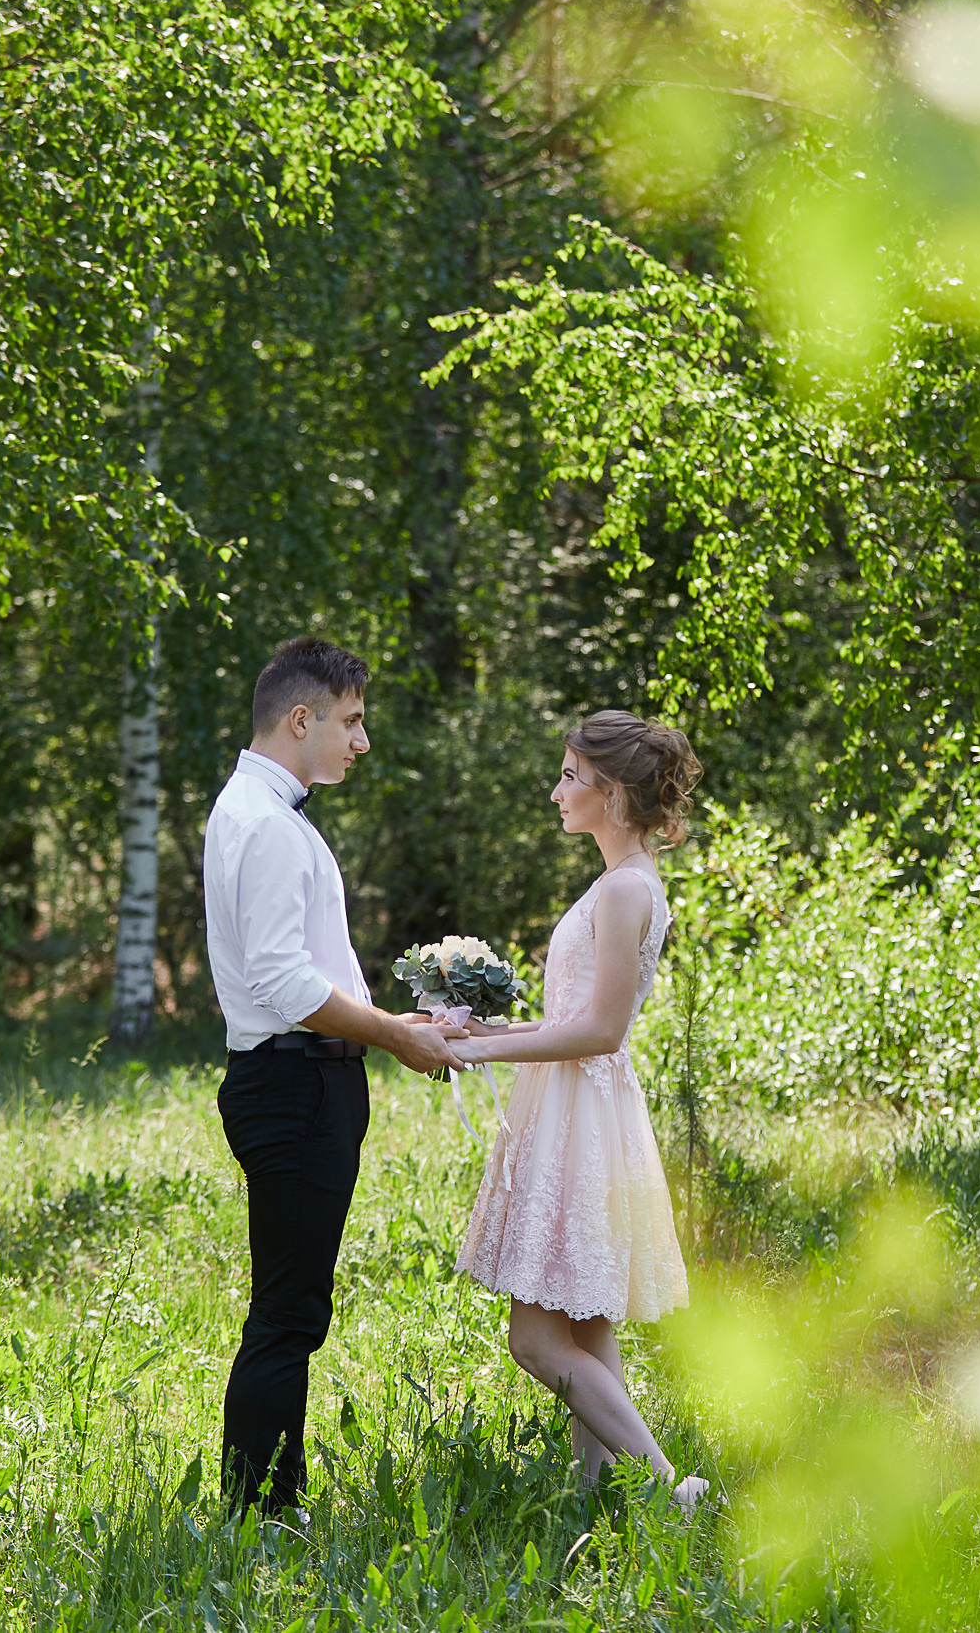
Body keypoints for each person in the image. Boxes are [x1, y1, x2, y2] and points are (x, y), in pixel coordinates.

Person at [203, 637, 458, 1515]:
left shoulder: (263, 811)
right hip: (293, 1083)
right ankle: (260, 1514)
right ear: (301, 718)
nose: (363, 740)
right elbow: (282, 982)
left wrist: (393, 1019)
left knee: (292, 1304)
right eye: (351, 721)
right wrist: (392, 1034)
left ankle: (271, 1500)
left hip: (298, 1080)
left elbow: (305, 968)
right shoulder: (267, 823)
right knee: (288, 1311)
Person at [449, 710, 709, 1505]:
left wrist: (483, 1051)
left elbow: (600, 1031)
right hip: (569, 1109)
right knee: (588, 1319)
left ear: (613, 794)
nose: (557, 789)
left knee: (535, 1337)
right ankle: (601, 1492)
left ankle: (665, 1484)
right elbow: (571, 1017)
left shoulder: (629, 888)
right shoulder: (612, 882)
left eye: (570, 776)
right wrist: (480, 1027)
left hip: (583, 1121)